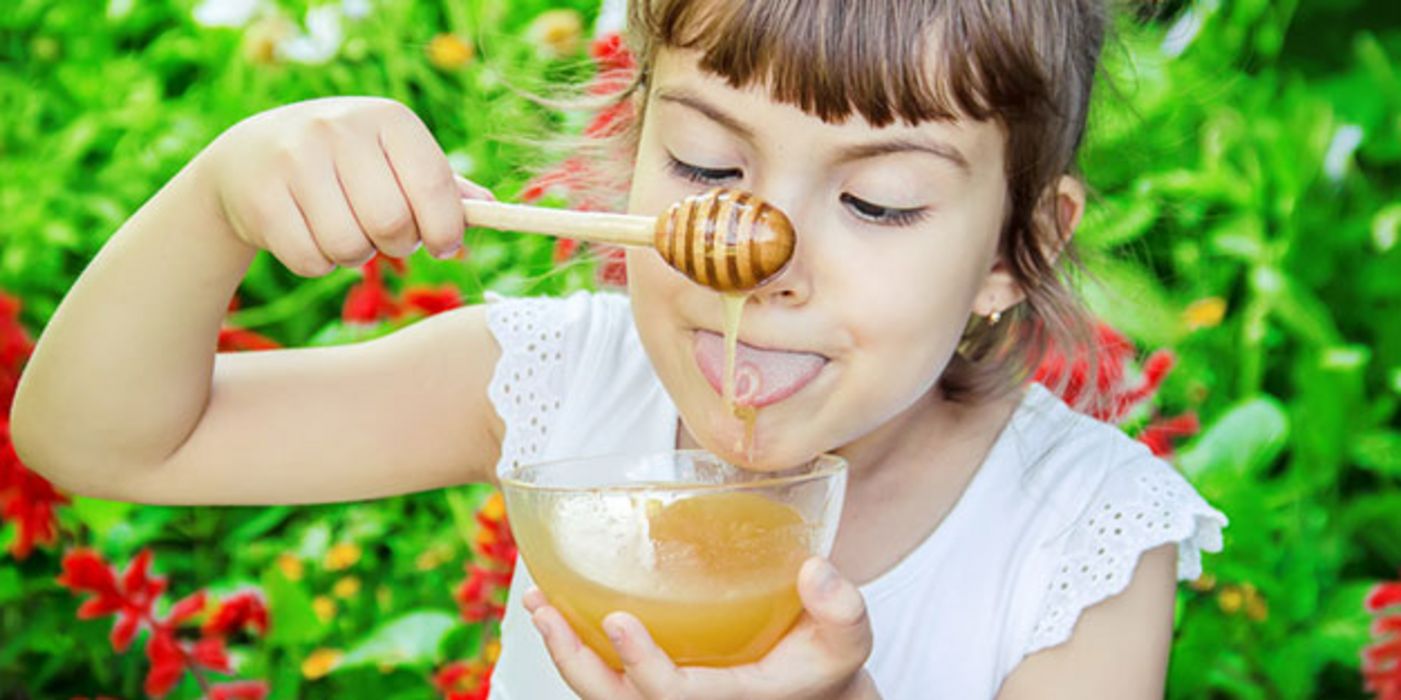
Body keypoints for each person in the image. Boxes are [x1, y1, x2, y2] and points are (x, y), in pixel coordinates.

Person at [11, 0, 1226, 698]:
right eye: (706, 164)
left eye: (883, 202)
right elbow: (97, 440)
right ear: (634, 138)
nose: (761, 256)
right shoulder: (570, 381)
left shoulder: (1084, 543)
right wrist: (220, 196)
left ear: (1015, 246)